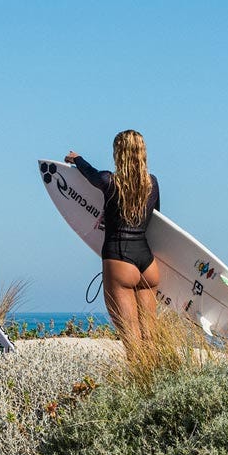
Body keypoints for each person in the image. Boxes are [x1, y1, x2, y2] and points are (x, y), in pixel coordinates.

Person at [65, 130, 160, 358]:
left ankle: (140, 387)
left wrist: (75, 158)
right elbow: (157, 223)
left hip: (120, 261)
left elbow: (90, 173)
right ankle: (157, 380)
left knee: (132, 342)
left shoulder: (109, 181)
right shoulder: (152, 183)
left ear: (119, 153)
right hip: (148, 264)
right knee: (151, 337)